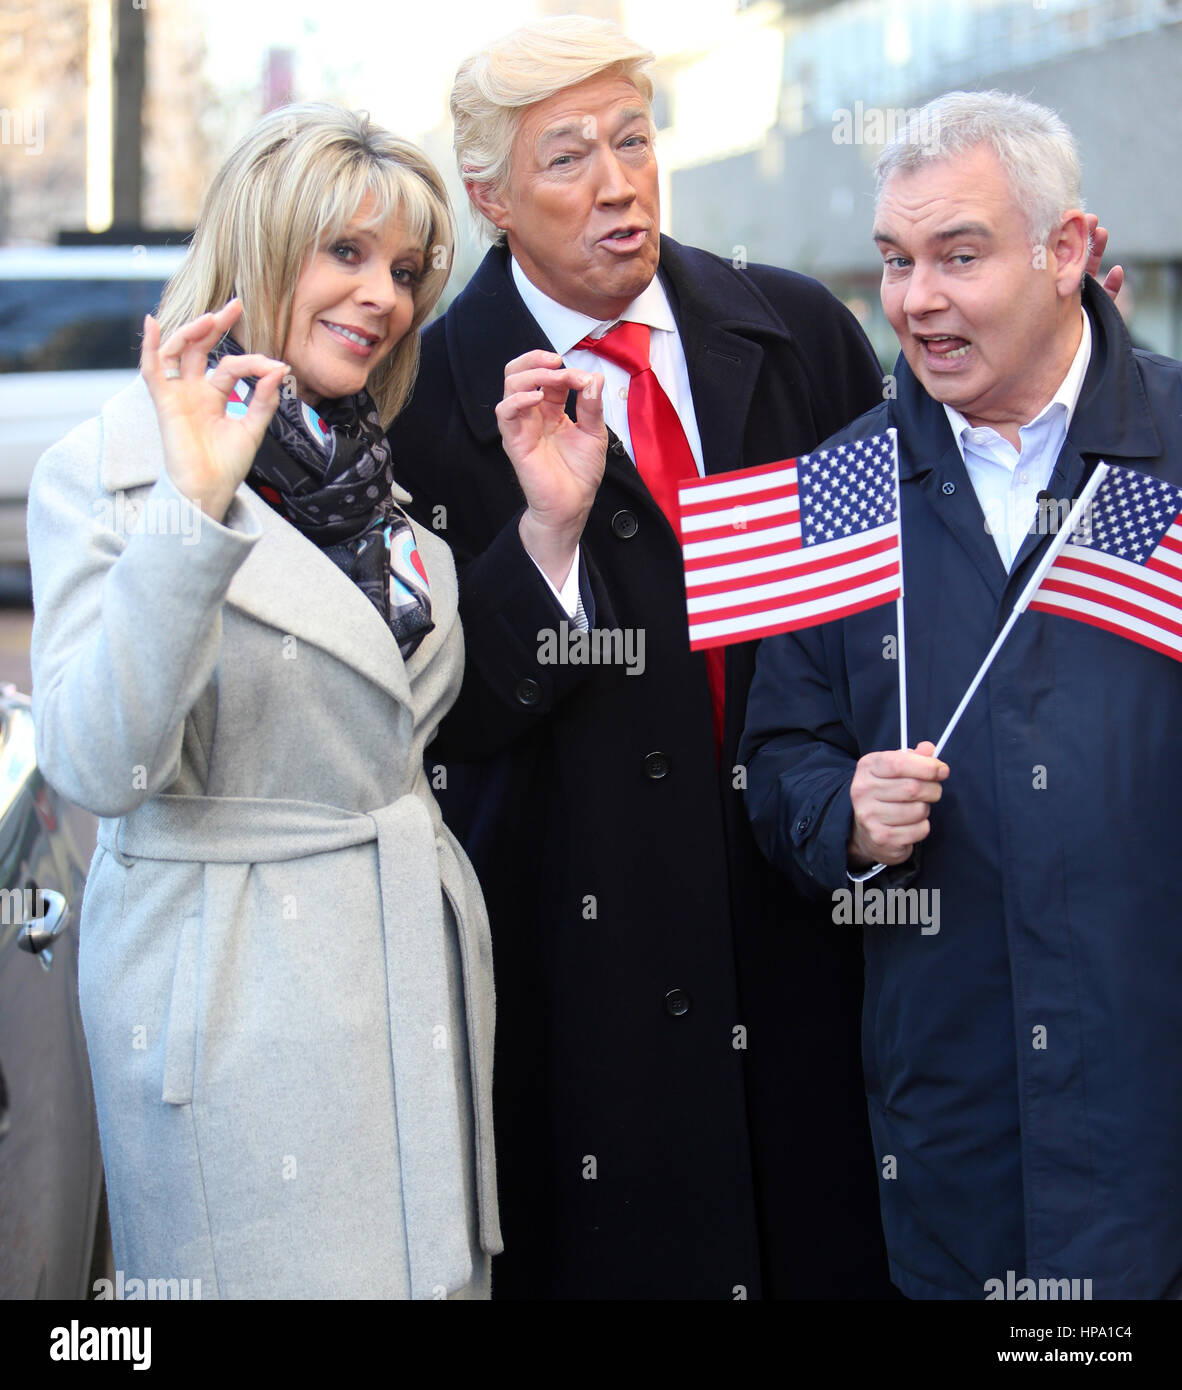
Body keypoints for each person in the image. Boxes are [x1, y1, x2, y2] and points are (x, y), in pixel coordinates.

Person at [386, 15, 897, 1300]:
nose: (619, 183)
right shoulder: (425, 396)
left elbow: (894, 593)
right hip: (580, 974)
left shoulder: (794, 330)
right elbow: (432, 721)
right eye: (569, 159)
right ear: (491, 197)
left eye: (633, 139)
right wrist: (547, 541)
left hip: (804, 921)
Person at [26, 102, 520, 1299]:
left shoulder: (379, 496)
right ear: (257, 248)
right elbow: (97, 764)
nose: (383, 297)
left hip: (402, 991)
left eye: (403, 269)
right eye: (343, 253)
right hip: (235, 1012)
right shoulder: (115, 467)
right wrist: (190, 518)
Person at [740, 89, 1180, 1299]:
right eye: (894, 261)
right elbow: (779, 758)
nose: (916, 299)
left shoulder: (1174, 455)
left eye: (958, 256)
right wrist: (842, 816)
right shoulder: (838, 487)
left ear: (1069, 252)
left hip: (1154, 1128)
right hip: (954, 1149)